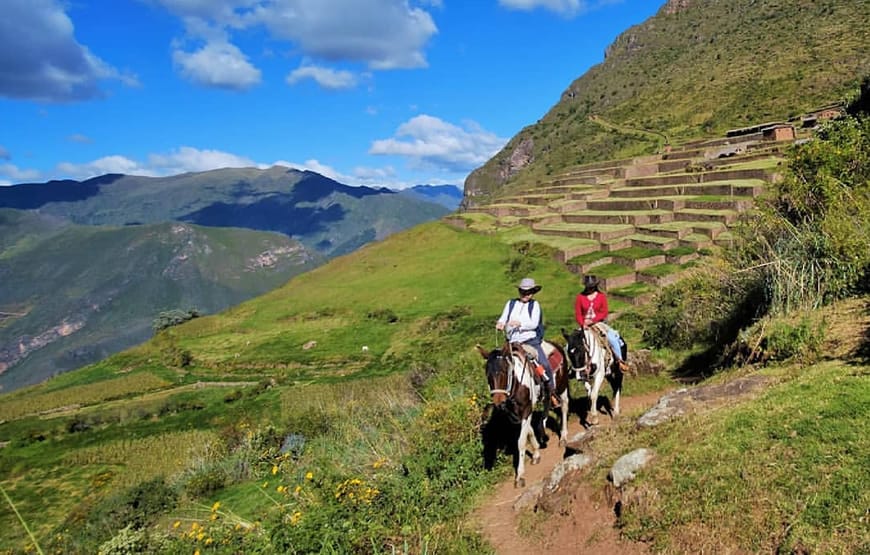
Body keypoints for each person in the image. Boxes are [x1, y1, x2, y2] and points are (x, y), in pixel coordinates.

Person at [496, 277, 560, 407]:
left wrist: (520, 324)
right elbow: (503, 318)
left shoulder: (535, 305)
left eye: (529, 292)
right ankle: (501, 392)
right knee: (498, 365)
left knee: (544, 365)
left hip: (529, 341)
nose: (526, 295)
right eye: (523, 292)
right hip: (512, 342)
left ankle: (551, 392)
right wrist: (501, 323)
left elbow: (534, 323)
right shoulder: (511, 304)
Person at [574, 275, 629, 372]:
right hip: (584, 325)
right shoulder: (580, 297)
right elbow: (578, 314)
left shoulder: (601, 296)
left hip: (598, 324)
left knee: (613, 339)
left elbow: (604, 312)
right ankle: (574, 368)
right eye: (588, 287)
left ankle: (620, 361)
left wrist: (593, 320)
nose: (590, 289)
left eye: (591, 287)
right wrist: (583, 324)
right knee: (572, 344)